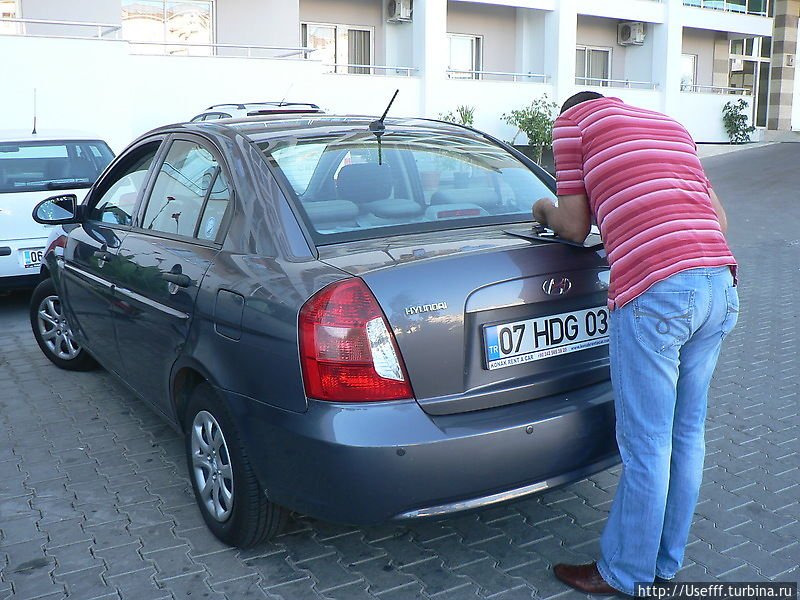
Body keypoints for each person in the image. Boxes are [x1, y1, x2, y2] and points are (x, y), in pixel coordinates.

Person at [532, 92, 739, 596]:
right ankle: (662, 565)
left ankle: (624, 574)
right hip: (719, 285)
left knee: (646, 444)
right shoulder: (668, 124)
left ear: (570, 109)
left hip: (658, 293)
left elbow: (575, 226)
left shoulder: (571, 126)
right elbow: (720, 221)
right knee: (686, 434)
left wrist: (543, 209)